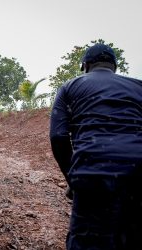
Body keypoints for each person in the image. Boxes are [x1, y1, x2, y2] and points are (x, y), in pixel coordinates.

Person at [50, 43, 142, 249]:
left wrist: (72, 179)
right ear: (114, 66)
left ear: (86, 65)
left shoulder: (70, 87)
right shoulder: (139, 87)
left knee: (87, 242)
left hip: (92, 171)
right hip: (139, 172)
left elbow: (58, 137)